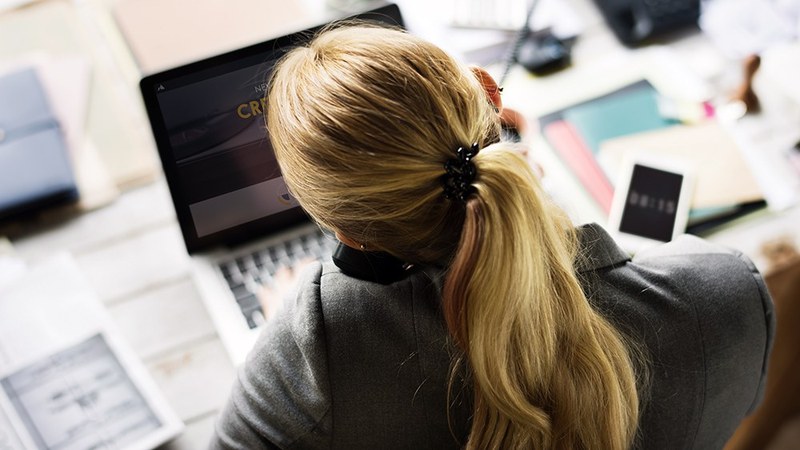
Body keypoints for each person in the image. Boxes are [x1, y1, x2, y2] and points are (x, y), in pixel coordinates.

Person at [210, 25, 774, 449]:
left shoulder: (307, 361)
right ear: (491, 96)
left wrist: (296, 329)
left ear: (338, 225)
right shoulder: (730, 296)